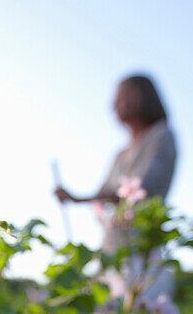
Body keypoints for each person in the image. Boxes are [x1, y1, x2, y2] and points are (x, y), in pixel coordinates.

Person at [54, 74, 177, 253]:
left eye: (121, 97)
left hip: (142, 247)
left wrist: (77, 199)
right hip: (112, 246)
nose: (114, 106)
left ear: (139, 97)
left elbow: (142, 189)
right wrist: (75, 198)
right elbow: (103, 194)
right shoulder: (120, 154)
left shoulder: (161, 136)